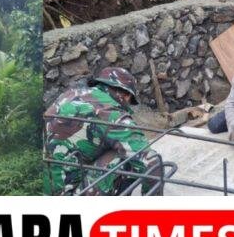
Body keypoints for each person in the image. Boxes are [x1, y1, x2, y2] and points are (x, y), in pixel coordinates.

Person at [44, 67, 161, 195]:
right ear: (126, 95)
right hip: (66, 195)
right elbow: (152, 162)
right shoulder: (112, 114)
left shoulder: (68, 95)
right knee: (129, 157)